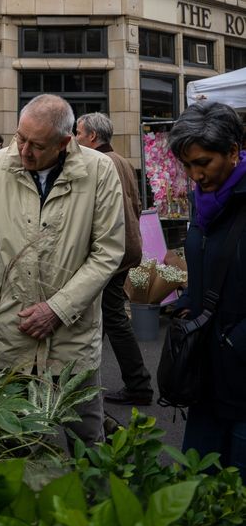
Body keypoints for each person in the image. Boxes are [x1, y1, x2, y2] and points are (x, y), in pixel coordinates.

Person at [0, 94, 125, 445]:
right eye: (20, 138)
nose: (24, 151)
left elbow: (108, 252)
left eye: (36, 145)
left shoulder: (99, 170)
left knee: (87, 442)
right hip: (11, 333)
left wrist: (56, 310)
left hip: (72, 341)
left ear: (65, 142)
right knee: (7, 441)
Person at [167, 102, 246, 479]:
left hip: (241, 373)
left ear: (233, 152)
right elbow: (207, 266)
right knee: (197, 488)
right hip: (206, 375)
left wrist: (236, 341)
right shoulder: (203, 204)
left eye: (204, 162)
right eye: (188, 166)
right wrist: (187, 301)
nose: (195, 175)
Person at [76, 112, 153, 406]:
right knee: (106, 316)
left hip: (113, 252)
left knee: (112, 316)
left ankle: (138, 384)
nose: (75, 138)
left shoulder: (98, 162)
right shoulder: (121, 160)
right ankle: (85, 380)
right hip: (126, 248)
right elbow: (135, 204)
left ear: (92, 137)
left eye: (79, 133)